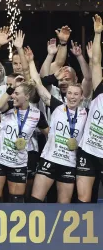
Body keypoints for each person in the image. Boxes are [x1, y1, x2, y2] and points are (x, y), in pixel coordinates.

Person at [28, 57, 88, 203]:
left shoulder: (86, 113)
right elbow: (38, 84)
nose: (72, 97)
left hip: (69, 163)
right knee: (35, 200)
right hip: (49, 159)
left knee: (63, 207)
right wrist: (30, 62)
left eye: (76, 94)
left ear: (81, 97)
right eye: (70, 94)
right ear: (66, 94)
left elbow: (89, 78)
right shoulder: (57, 107)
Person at [0, 81, 49, 203]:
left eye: (16, 93)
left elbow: (49, 133)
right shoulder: (9, 106)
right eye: (13, 93)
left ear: (26, 96)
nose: (13, 96)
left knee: (17, 201)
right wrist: (12, 88)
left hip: (18, 162)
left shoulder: (37, 114)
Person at [76, 14, 103, 203]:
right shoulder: (100, 89)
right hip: (88, 150)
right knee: (83, 197)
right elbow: (95, 63)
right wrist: (98, 34)